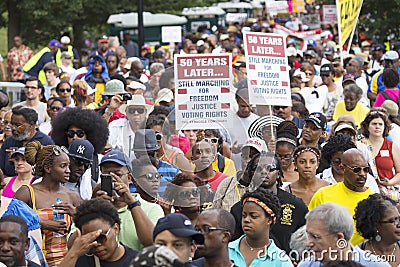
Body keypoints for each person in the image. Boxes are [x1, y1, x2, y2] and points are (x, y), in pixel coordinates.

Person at [14, 141, 80, 266]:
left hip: (66, 261)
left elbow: (86, 228)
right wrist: (41, 224)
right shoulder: (27, 193)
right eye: (63, 166)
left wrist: (77, 214)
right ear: (48, 168)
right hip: (34, 260)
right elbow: (10, 225)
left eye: (69, 166)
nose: (68, 171)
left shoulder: (72, 196)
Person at [230, 152, 308, 254]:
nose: (263, 172)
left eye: (270, 168)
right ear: (251, 173)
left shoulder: (296, 205)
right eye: (258, 168)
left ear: (279, 173)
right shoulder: (239, 209)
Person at [94, 150, 162, 250]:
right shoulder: (95, 206)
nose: (113, 179)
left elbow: (152, 242)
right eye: (107, 176)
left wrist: (132, 204)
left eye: (118, 174)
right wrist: (95, 209)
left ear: (129, 178)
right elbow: (73, 244)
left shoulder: (152, 209)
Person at [309, 148, 374, 245]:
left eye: (366, 169)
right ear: (343, 168)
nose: (362, 174)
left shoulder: (373, 200)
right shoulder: (324, 194)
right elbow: (310, 227)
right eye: (356, 169)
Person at [298, 202, 390, 267]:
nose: (308, 243)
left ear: (339, 238)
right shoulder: (306, 265)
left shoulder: (376, 265)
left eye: (315, 237)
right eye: (308, 235)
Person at [59, 198, 138, 267]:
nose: (96, 244)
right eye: (90, 240)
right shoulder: (82, 260)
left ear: (115, 229)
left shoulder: (138, 261)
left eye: (101, 238)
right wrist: (73, 253)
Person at [228, 188, 293, 267]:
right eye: (244, 215)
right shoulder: (226, 250)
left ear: (269, 220)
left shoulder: (281, 261)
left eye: (253, 216)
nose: (246, 220)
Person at [50, 108, 109, 183]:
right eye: (70, 134)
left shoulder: (99, 161)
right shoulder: (56, 158)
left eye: (80, 133)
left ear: (90, 135)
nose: (74, 137)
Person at [213, 137, 266, 211]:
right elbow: (215, 213)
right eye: (245, 156)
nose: (247, 161)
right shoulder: (226, 184)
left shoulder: (268, 186)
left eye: (253, 156)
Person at [0, 106, 53, 177]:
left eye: (17, 125)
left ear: (31, 125)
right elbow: (2, 168)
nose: (13, 128)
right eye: (12, 124)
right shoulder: (9, 141)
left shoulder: (46, 142)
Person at [355, 194, 400, 267]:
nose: (399, 225)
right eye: (392, 221)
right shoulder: (357, 255)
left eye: (399, 219)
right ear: (375, 226)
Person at [360, 110, 400, 186]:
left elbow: (399, 172)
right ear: (367, 126)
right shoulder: (361, 145)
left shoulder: (392, 146)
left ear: (385, 127)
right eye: (374, 124)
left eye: (380, 124)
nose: (377, 127)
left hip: (387, 191)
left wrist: (390, 182)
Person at [108, 95, 150, 160]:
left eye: (140, 110)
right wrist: (110, 110)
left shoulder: (151, 127)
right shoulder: (115, 126)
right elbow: (105, 143)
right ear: (126, 112)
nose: (136, 113)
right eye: (132, 110)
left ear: (145, 112)